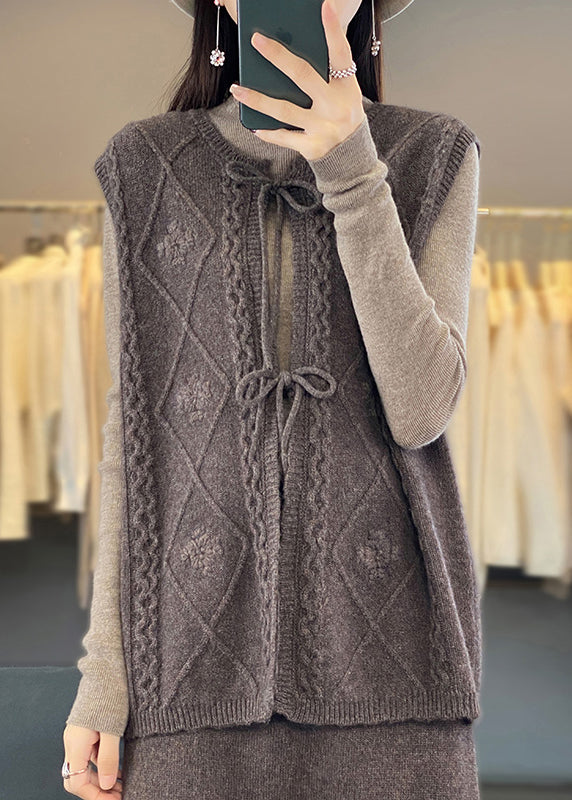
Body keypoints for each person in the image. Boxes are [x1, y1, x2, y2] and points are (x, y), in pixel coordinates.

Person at [62, 0, 483, 797]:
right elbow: (136, 441)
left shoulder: (433, 154)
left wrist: (352, 168)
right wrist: (104, 675)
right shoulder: (145, 166)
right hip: (185, 670)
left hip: (393, 673)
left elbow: (422, 410)